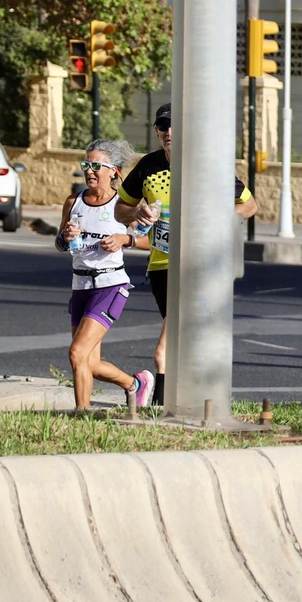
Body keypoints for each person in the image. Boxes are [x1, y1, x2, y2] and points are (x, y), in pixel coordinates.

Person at [116, 102, 258, 405]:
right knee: (183, 339)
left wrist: (215, 220)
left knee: (166, 350)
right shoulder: (147, 166)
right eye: (163, 127)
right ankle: (190, 402)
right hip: (160, 266)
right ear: (156, 131)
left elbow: (249, 205)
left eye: (175, 126)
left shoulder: (206, 164)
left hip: (195, 265)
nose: (169, 132)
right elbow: (120, 210)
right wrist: (136, 211)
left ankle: (162, 406)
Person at [58, 139, 154, 411]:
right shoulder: (73, 202)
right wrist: (65, 238)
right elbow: (59, 244)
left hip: (110, 284)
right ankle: (134, 385)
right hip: (80, 284)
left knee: (77, 353)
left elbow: (151, 241)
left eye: (97, 166)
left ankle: (82, 414)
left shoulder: (123, 206)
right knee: (89, 362)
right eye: (86, 165)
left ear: (114, 171)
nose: (90, 171)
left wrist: (125, 239)